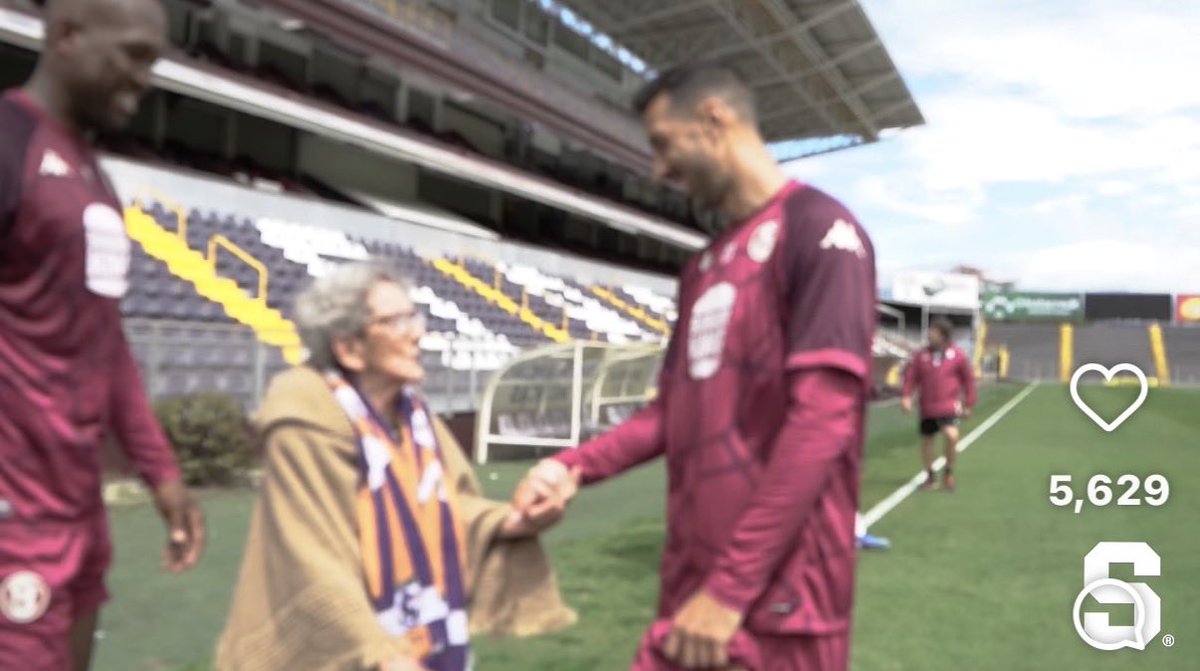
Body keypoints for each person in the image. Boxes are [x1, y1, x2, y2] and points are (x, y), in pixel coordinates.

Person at [515, 63, 877, 671]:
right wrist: (571, 467)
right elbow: (671, 415)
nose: (659, 170)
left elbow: (822, 422)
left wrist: (730, 591)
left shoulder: (820, 232)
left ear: (714, 119)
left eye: (664, 144)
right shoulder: (703, 267)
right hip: (693, 596)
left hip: (780, 608)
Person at [215, 262, 576, 671]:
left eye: (414, 316)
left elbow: (442, 506)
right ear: (349, 348)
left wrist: (510, 522)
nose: (417, 333)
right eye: (395, 322)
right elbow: (312, 554)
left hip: (422, 645)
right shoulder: (306, 418)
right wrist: (383, 654)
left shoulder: (413, 414)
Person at [0, 0, 206, 669]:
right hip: (13, 519)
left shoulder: (94, 179)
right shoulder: (8, 144)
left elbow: (106, 346)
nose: (146, 77)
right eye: (134, 55)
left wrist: (163, 474)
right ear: (67, 34)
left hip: (77, 509)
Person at [901, 317, 977, 492]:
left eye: (933, 332)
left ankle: (948, 472)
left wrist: (969, 403)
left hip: (948, 406)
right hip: (927, 407)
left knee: (952, 435)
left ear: (943, 335)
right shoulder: (921, 355)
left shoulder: (957, 355)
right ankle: (930, 476)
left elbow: (968, 381)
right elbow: (911, 377)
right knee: (927, 441)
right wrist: (906, 396)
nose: (929, 334)